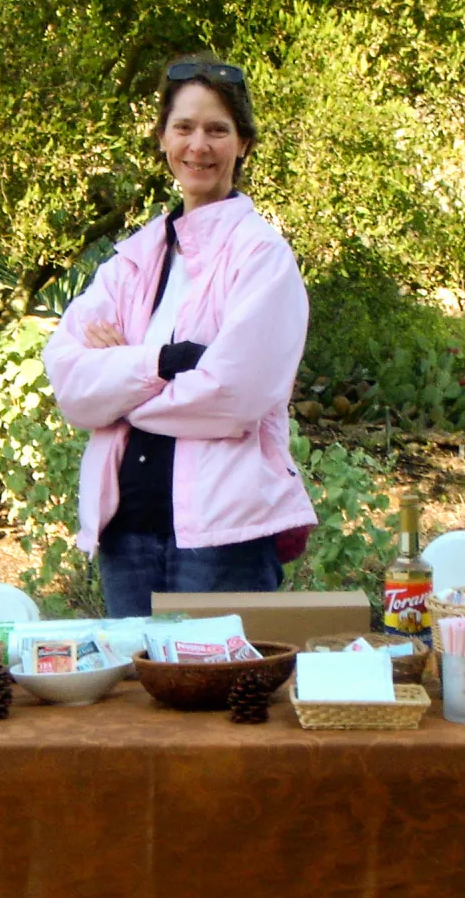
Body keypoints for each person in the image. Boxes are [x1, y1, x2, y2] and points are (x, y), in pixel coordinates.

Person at [43, 54, 317, 616]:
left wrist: (122, 389)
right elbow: (71, 385)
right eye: (184, 127)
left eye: (218, 130)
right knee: (138, 700)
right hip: (127, 532)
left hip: (225, 540)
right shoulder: (134, 259)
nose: (199, 145)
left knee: (221, 696)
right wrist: (168, 361)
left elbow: (231, 397)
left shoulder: (263, 257)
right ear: (163, 138)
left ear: (243, 144)